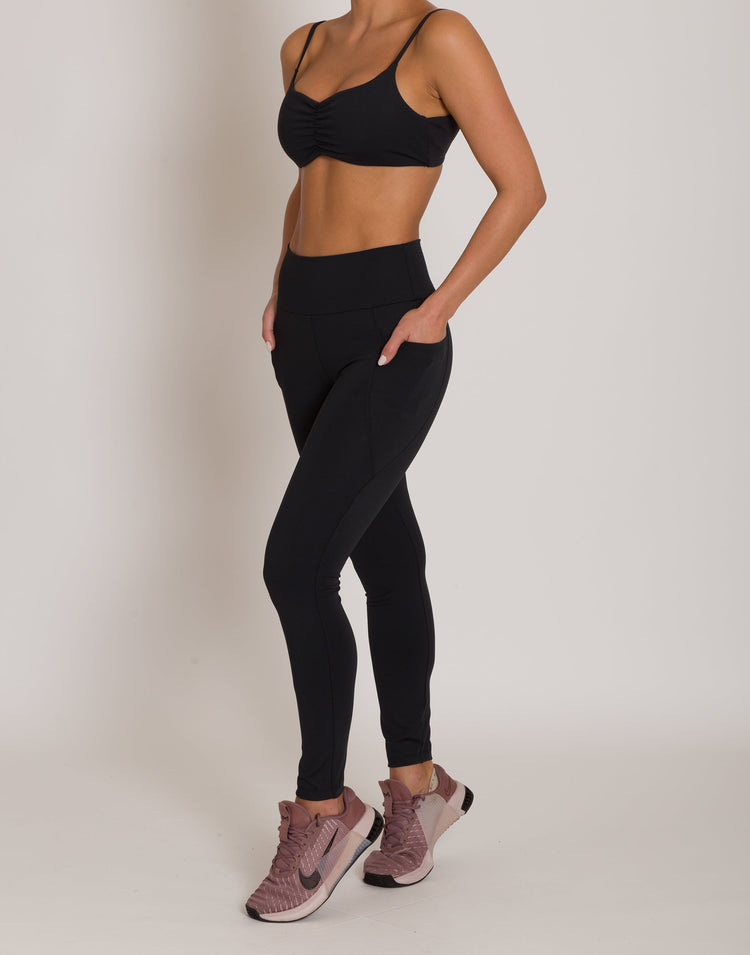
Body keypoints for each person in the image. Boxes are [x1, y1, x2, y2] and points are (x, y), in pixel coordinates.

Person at [246, 2, 546, 922]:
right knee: (382, 549)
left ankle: (325, 811)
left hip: (392, 331)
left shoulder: (439, 37)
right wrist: (280, 278)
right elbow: (311, 181)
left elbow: (522, 186)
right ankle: (419, 785)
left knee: (296, 565)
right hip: (304, 332)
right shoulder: (303, 45)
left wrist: (438, 308)